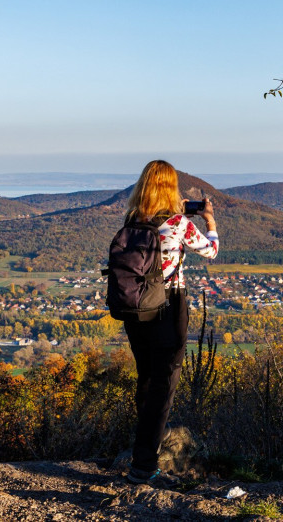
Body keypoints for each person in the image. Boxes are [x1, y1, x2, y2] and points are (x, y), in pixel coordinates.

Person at [122, 160, 218, 486]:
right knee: (166, 381)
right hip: (168, 305)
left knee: (147, 377)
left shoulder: (133, 220)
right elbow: (211, 250)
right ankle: (144, 464)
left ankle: (145, 448)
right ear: (171, 187)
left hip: (135, 309)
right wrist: (209, 220)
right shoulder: (178, 223)